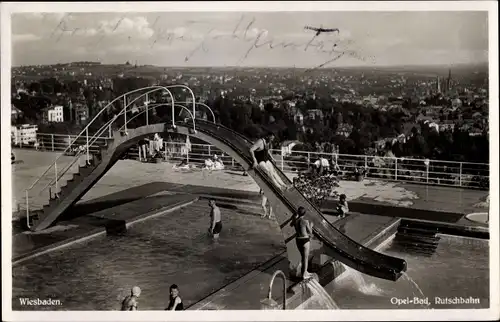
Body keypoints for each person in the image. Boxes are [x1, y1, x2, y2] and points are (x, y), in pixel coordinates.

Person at [290, 206, 314, 280]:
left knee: (302, 257)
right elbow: (310, 232)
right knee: (305, 258)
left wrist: (294, 217)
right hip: (305, 240)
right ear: (305, 213)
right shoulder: (305, 221)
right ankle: (304, 274)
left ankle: (304, 272)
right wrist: (311, 226)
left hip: (298, 240)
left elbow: (291, 224)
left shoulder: (295, 221)